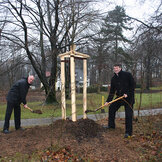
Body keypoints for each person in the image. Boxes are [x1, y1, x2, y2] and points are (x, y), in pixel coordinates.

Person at [104, 63, 135, 138]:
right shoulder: (113, 78)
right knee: (111, 108)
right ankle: (111, 125)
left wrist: (128, 93)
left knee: (128, 115)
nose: (115, 69)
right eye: (114, 68)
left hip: (128, 98)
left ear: (120, 68)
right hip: (119, 97)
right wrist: (108, 101)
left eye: (117, 68)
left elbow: (133, 85)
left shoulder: (127, 75)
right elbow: (112, 91)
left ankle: (128, 133)